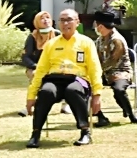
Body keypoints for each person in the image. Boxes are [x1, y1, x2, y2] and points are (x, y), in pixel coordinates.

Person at [25, 9, 103, 148]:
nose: (65, 23)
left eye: (69, 20)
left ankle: (85, 132)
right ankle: (35, 134)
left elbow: (94, 68)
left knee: (73, 90)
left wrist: (97, 94)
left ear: (77, 22)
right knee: (46, 91)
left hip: (78, 79)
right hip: (55, 78)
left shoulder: (86, 42)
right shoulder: (51, 44)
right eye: (62, 20)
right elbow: (41, 70)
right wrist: (31, 96)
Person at [93, 10, 137, 126]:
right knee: (87, 86)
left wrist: (98, 71)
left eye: (97, 25)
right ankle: (101, 117)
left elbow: (113, 61)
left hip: (120, 72)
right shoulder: (100, 40)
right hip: (104, 72)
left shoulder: (117, 40)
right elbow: (97, 58)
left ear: (101, 26)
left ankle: (132, 116)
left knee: (119, 90)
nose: (95, 27)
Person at [18, 11, 70, 117]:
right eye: (42, 18)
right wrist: (35, 66)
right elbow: (25, 56)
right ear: (37, 22)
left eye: (47, 17)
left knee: (68, 74)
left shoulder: (57, 34)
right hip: (36, 66)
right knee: (35, 75)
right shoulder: (32, 37)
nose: (46, 20)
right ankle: (31, 105)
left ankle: (65, 104)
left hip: (56, 66)